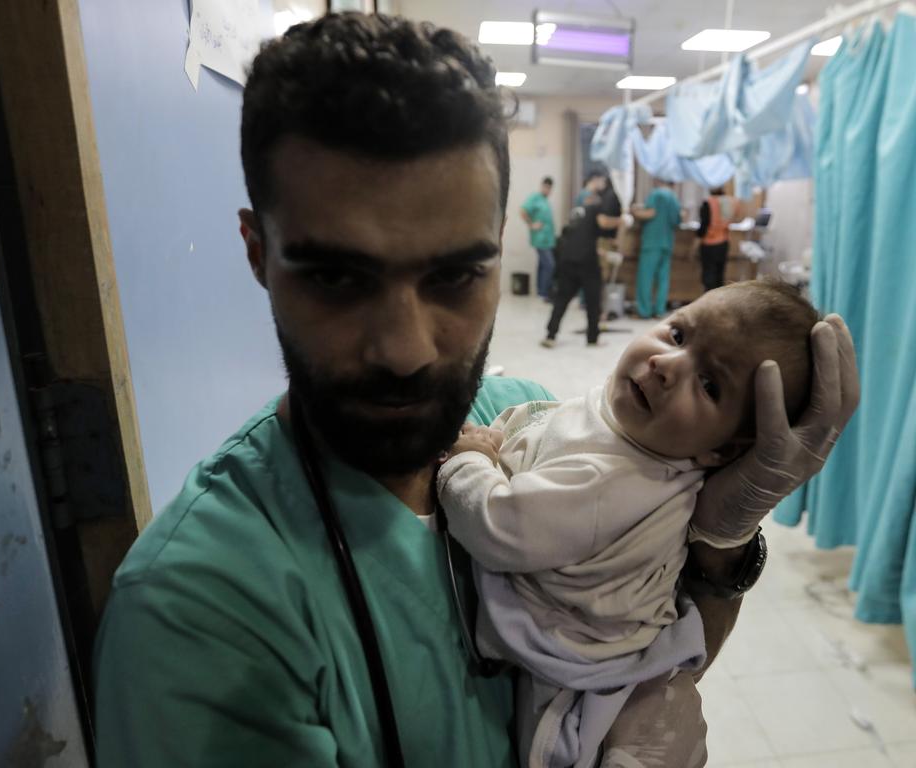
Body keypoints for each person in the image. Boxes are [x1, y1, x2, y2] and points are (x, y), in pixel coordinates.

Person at [93, 13, 860, 768]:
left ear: (500, 254)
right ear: (259, 253)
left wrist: (721, 543)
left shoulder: (520, 416)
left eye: (456, 276)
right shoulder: (198, 615)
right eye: (336, 277)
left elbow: (635, 650)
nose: (404, 348)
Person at [440, 281, 818, 767]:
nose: (666, 366)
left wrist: (467, 463)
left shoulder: (617, 482)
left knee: (551, 748)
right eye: (678, 335)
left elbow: (499, 526)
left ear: (720, 452)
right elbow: (547, 432)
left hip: (573, 663)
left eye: (709, 385)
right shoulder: (633, 435)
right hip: (630, 635)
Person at [541, 200, 622, 348]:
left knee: (562, 299)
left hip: (567, 258)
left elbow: (581, 239)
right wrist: (622, 220)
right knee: (593, 300)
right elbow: (604, 223)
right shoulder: (598, 207)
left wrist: (604, 253)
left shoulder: (578, 212)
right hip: (586, 262)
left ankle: (550, 336)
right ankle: (592, 338)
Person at [632, 179, 682, 318]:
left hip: (652, 242)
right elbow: (677, 220)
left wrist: (634, 212)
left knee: (646, 278)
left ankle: (644, 311)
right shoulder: (673, 198)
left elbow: (650, 213)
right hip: (667, 242)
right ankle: (659, 310)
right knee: (663, 278)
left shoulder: (656, 194)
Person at [697, 186, 741, 292]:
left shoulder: (708, 203)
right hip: (724, 243)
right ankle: (719, 303)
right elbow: (737, 218)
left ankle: (709, 304)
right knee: (719, 275)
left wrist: (697, 238)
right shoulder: (732, 202)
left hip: (709, 243)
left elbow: (704, 226)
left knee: (709, 276)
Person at [521, 176, 557, 300]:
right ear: (542, 186)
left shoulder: (545, 200)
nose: (548, 190)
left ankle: (540, 291)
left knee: (542, 265)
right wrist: (531, 225)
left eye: (550, 188)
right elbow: (522, 210)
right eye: (546, 187)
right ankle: (545, 292)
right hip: (540, 239)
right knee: (550, 265)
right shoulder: (535, 198)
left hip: (548, 239)